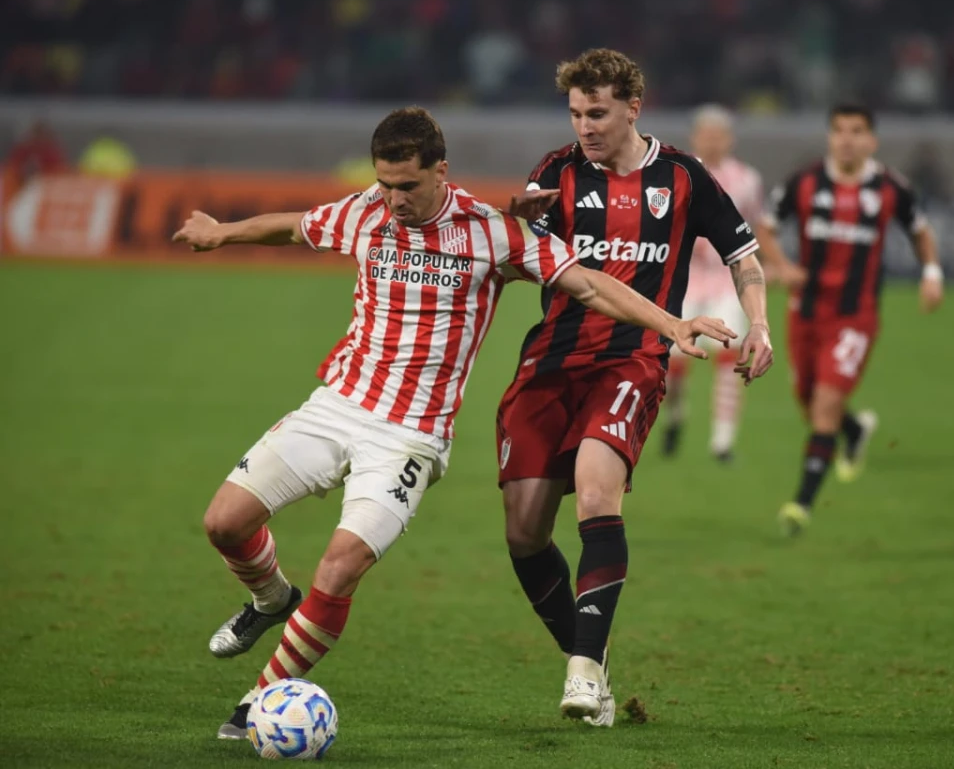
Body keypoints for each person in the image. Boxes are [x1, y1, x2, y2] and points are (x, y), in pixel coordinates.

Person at [170, 106, 737, 739]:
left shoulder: (491, 232)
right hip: (335, 406)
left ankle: (262, 701)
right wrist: (223, 232)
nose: (395, 199)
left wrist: (671, 325)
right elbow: (297, 226)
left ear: (441, 171)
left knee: (340, 567)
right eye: (385, 184)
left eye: (408, 186)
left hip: (409, 437)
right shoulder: (366, 211)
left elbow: (592, 285)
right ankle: (274, 600)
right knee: (224, 522)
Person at [500, 49, 773, 726]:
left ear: (631, 108)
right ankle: (591, 655)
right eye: (575, 113)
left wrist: (760, 323)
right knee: (525, 532)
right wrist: (518, 223)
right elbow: (518, 256)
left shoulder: (683, 177)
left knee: (597, 493)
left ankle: (584, 671)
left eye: (597, 113)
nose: (585, 126)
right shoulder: (555, 173)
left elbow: (744, 258)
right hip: (553, 364)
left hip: (634, 362)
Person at [756, 102, 944, 535]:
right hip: (804, 311)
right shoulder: (804, 182)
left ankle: (800, 505)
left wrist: (931, 273)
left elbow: (919, 229)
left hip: (854, 316)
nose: (847, 138)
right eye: (839, 130)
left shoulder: (891, 188)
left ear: (871, 140)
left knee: (824, 405)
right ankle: (855, 429)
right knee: (807, 401)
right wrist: (782, 266)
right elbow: (765, 226)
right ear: (830, 136)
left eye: (857, 131)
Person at [661, 104, 766, 462]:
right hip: (685, 278)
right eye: (706, 135)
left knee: (728, 354)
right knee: (673, 358)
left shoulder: (747, 180)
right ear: (695, 137)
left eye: (719, 135)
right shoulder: (676, 175)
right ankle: (675, 416)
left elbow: (754, 229)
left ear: (730, 139)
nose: (712, 142)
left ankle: (722, 442)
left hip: (725, 280)